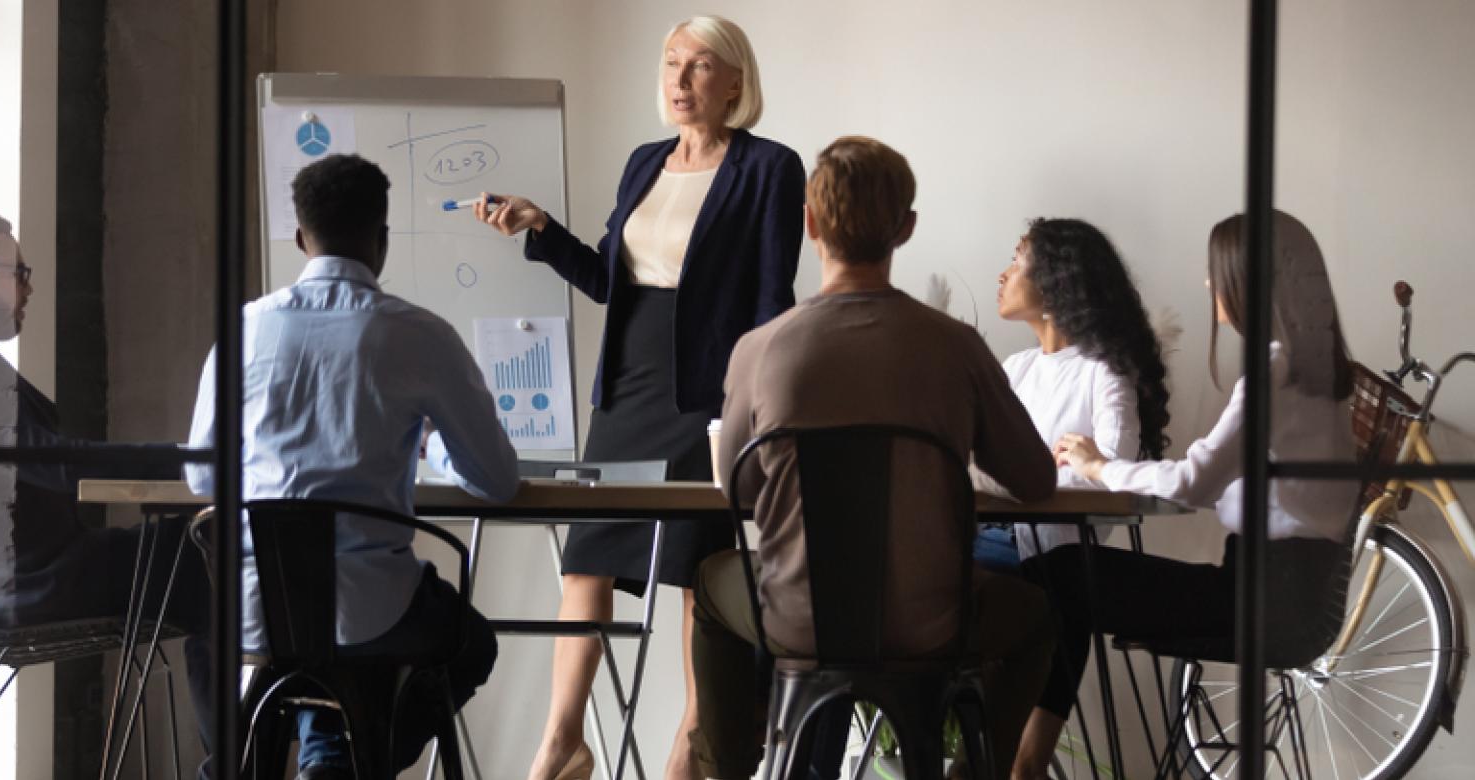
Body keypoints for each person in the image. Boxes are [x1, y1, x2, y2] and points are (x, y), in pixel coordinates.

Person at [471, 15, 805, 779]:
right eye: (671, 64)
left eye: (699, 66)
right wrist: (543, 228)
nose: (680, 81)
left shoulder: (769, 168)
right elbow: (611, 282)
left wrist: (748, 411)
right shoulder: (643, 163)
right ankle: (564, 741)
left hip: (707, 395)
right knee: (586, 562)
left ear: (735, 82)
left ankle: (693, 750)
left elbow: (770, 301)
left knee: (695, 575)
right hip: (625, 389)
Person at [699, 136, 1058, 780]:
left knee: (710, 588)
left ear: (809, 221)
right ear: (907, 228)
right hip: (931, 623)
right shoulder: (956, 347)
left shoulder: (759, 348)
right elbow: (1034, 479)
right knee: (1036, 615)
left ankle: (727, 769)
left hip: (796, 620)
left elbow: (741, 491)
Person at [186, 153, 520, 780]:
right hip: (375, 613)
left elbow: (203, 480)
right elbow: (498, 482)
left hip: (255, 610)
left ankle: (239, 763)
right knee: (470, 643)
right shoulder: (421, 335)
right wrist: (433, 447)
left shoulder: (243, 329)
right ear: (383, 240)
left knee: (214, 632)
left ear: (300, 238)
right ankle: (348, 757)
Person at [1012, 211, 1357, 778]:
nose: (1206, 283)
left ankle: (1017, 761)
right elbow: (1219, 482)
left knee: (1063, 574)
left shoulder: (1276, 371)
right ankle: (1025, 763)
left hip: (1258, 602)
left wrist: (1101, 466)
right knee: (1069, 575)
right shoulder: (1322, 377)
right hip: (1294, 601)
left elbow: (1193, 482)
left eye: (1214, 270)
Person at [0, 210, 213, 748]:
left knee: (205, 543)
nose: (30, 287)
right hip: (31, 587)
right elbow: (62, 462)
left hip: (31, 573)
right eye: (19, 271)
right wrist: (197, 459)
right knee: (216, 555)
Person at [974, 218, 1172, 573]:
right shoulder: (1016, 367)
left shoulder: (1103, 370)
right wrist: (1038, 471)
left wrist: (1029, 475)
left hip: (1041, 555)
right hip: (981, 532)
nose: (1003, 275)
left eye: (1017, 262)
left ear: (1054, 284)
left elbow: (1113, 470)